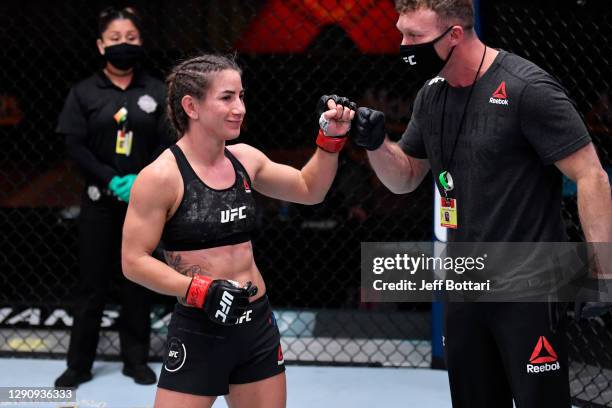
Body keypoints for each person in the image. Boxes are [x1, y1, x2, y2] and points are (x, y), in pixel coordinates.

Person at [351, 0, 612, 407]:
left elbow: (591, 175)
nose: (403, 46)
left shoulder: (527, 88)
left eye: (415, 37)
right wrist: (375, 144)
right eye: (401, 33)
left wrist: (602, 269)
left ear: (455, 35)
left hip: (530, 284)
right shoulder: (431, 96)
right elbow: (404, 178)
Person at [121, 54, 355, 408]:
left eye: (241, 96)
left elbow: (310, 189)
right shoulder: (161, 176)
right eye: (227, 97)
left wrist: (330, 140)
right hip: (200, 327)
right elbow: (133, 261)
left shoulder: (245, 159)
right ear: (191, 106)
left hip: (255, 324)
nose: (240, 108)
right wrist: (199, 290)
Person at [54, 7, 172, 388]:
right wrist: (110, 179)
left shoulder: (156, 90)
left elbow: (169, 143)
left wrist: (141, 180)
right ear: (101, 45)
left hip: (143, 204)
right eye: (116, 39)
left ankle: (135, 359)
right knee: (92, 285)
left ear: (142, 42)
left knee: (138, 281)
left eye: (131, 38)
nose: (124, 45)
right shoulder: (83, 92)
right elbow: (74, 144)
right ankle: (79, 364)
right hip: (98, 202)